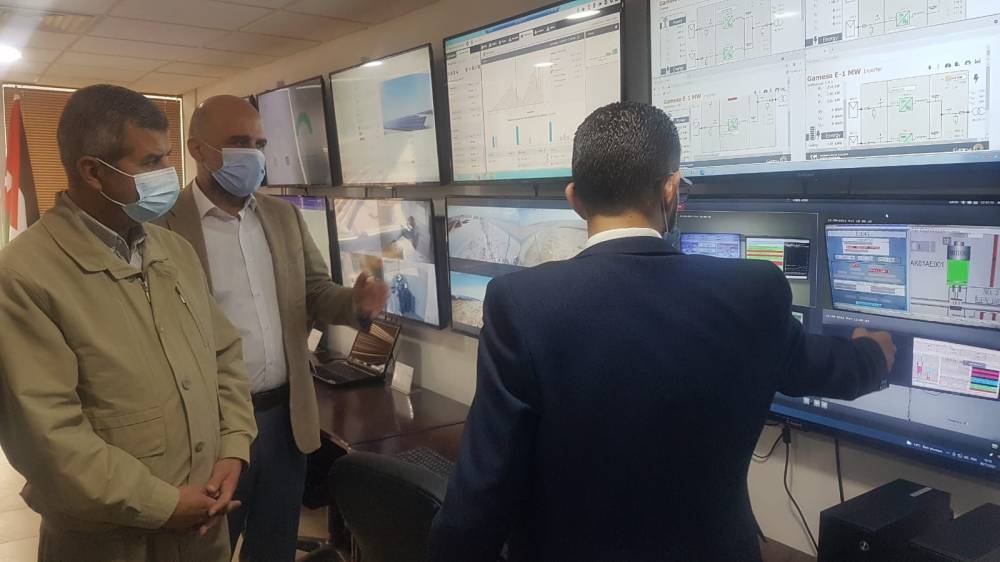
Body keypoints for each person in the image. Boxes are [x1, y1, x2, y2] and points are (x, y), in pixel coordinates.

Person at [428, 101, 897, 562]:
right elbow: (828, 368)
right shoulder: (754, 292)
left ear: (574, 199)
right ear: (671, 191)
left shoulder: (521, 304)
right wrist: (874, 355)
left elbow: (481, 497)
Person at [0, 85, 257, 562]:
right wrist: (162, 504)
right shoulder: (24, 276)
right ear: (93, 172)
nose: (169, 174)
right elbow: (48, 438)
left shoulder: (173, 250)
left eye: (168, 157)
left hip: (203, 534)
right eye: (152, 162)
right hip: (109, 543)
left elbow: (223, 356)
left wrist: (233, 448)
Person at [156, 95, 389, 562]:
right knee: (207, 549)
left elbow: (315, 291)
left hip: (285, 420)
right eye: (239, 142)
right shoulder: (162, 227)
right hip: (210, 427)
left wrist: (355, 304)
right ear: (197, 149)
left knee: (275, 546)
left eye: (260, 144)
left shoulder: (283, 217)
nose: (254, 155)